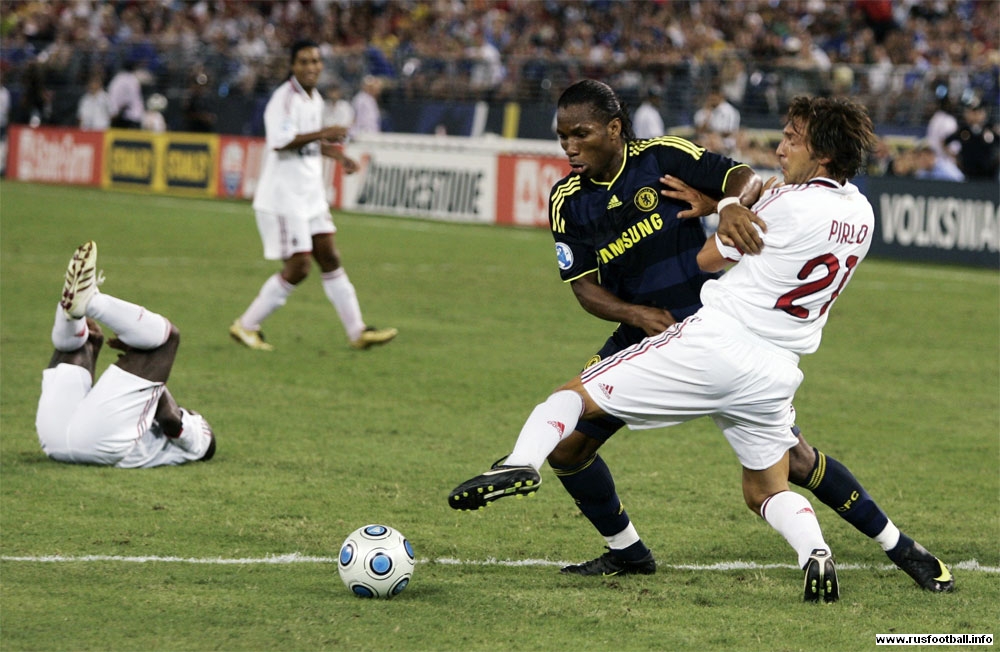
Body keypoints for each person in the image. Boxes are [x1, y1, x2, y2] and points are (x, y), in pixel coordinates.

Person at [449, 82, 953, 596]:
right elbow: (585, 287)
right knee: (765, 485)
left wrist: (728, 207)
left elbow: (719, 238)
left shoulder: (679, 163)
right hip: (768, 361)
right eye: (563, 136)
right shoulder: (861, 213)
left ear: (614, 128)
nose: (780, 148)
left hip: (707, 334)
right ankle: (861, 549)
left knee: (571, 400)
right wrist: (725, 211)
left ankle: (518, 463)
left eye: (791, 139)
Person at [230, 40, 396, 351]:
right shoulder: (284, 99)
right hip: (284, 197)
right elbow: (281, 141)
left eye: (316, 61)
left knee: (330, 257)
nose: (311, 67)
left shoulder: (314, 99)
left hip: (310, 194)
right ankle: (246, 325)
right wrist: (324, 133)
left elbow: (306, 141)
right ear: (292, 66)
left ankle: (358, 332)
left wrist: (337, 155)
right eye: (304, 61)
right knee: (300, 266)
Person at [37, 241, 216, 468]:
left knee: (168, 341)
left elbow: (170, 419)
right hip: (56, 440)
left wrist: (149, 372)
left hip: (96, 443)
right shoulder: (136, 427)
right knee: (85, 341)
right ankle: (71, 314)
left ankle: (91, 301)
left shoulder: (200, 442)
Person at [944, 94, 1000, 180]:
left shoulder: (990, 129)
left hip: (988, 174)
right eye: (972, 112)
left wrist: (996, 161)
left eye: (979, 112)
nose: (975, 115)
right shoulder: (963, 130)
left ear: (984, 114)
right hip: (967, 172)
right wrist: (955, 158)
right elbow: (946, 142)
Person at [693, 86, 741, 155]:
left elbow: (729, 132)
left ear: (720, 96)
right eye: (710, 97)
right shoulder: (703, 111)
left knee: (713, 143)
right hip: (706, 141)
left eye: (714, 96)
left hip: (724, 143)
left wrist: (714, 135)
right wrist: (707, 118)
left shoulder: (730, 111)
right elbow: (698, 131)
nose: (712, 99)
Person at [107, 60, 145, 129]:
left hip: (127, 115)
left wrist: (114, 111)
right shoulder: (130, 79)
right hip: (127, 116)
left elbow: (113, 96)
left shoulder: (119, 78)